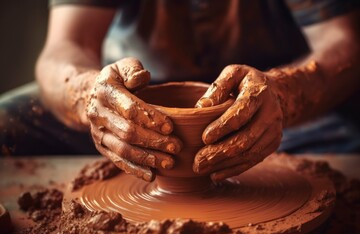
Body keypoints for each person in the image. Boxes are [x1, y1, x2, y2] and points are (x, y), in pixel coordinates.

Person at [0, 0, 359, 182]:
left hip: (267, 107)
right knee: (7, 126)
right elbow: (64, 47)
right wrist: (86, 94)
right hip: (128, 110)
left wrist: (286, 94)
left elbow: (345, 44)